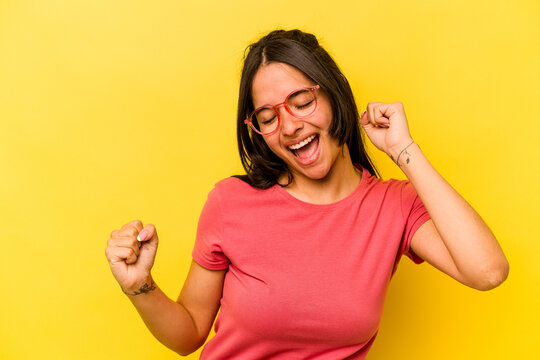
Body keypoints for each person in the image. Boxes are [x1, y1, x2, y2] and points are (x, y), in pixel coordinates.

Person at [105, 29, 509, 359]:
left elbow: (488, 271)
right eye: (268, 117)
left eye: (301, 102)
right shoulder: (231, 202)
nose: (289, 126)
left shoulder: (394, 206)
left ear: (334, 95)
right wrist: (139, 286)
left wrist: (403, 149)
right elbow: (188, 334)